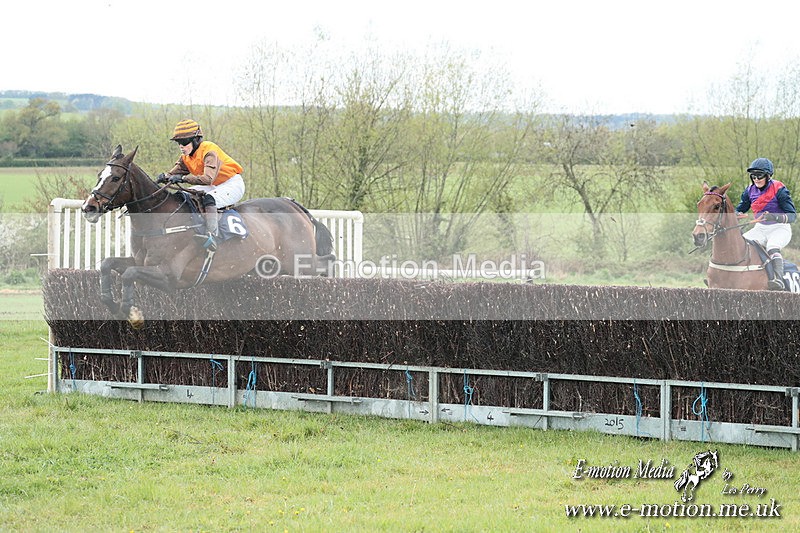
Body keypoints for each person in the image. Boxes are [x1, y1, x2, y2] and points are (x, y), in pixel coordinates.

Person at [157, 119, 244, 251]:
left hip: (231, 183)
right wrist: (163, 177)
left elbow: (207, 179)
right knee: (185, 195)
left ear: (197, 139)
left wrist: (183, 178)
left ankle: (212, 236)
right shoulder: (186, 157)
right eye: (179, 143)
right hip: (214, 185)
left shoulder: (209, 151)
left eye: (185, 142)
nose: (181, 146)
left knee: (210, 199)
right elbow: (172, 174)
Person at [735, 157, 797, 290]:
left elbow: (792, 216)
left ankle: (778, 279)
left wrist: (774, 217)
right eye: (753, 175)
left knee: (772, 246)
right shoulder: (749, 191)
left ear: (768, 176)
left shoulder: (779, 189)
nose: (756, 179)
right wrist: (736, 213)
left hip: (780, 228)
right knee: (741, 244)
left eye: (760, 175)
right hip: (761, 228)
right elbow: (740, 208)